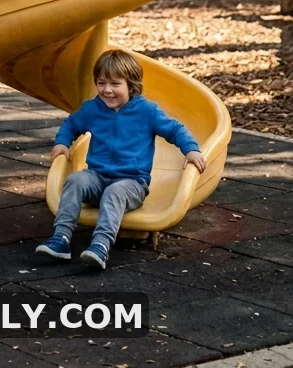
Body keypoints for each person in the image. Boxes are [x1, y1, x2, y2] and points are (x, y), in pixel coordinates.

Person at [36, 49, 206, 270]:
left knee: (114, 192)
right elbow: (72, 124)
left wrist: (191, 150)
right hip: (97, 177)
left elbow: (175, 130)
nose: (107, 90)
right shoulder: (92, 109)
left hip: (132, 183)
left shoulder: (147, 111)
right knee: (76, 181)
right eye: (101, 83)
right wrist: (62, 142)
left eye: (115, 84)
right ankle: (61, 238)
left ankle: (101, 245)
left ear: (131, 84)